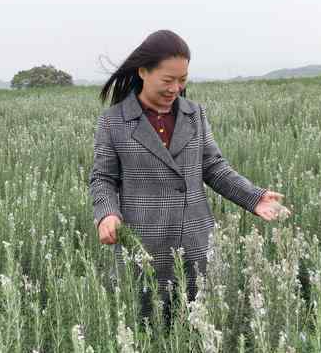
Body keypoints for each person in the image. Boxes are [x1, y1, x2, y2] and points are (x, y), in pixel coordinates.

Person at [89, 30, 291, 324]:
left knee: (201, 329)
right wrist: (107, 214)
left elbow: (213, 166)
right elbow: (103, 178)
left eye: (182, 79)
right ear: (143, 71)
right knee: (147, 330)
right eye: (167, 80)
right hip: (144, 248)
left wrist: (254, 197)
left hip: (196, 245)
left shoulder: (194, 114)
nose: (175, 88)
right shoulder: (114, 121)